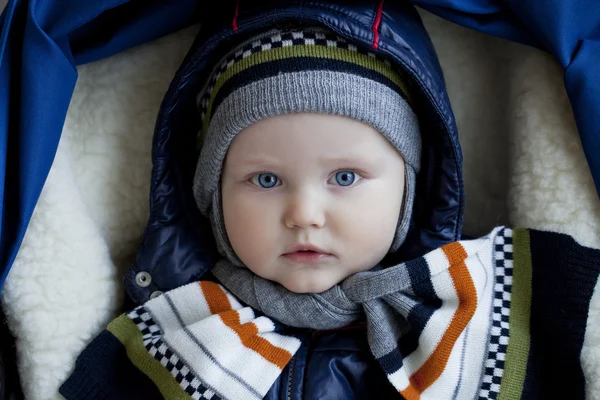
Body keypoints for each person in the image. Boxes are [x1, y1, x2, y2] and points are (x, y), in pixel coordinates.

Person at [60, 5, 600, 400]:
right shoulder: (180, 340)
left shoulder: (475, 320)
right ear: (210, 197)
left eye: (345, 176)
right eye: (266, 180)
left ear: (410, 189)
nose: (304, 214)